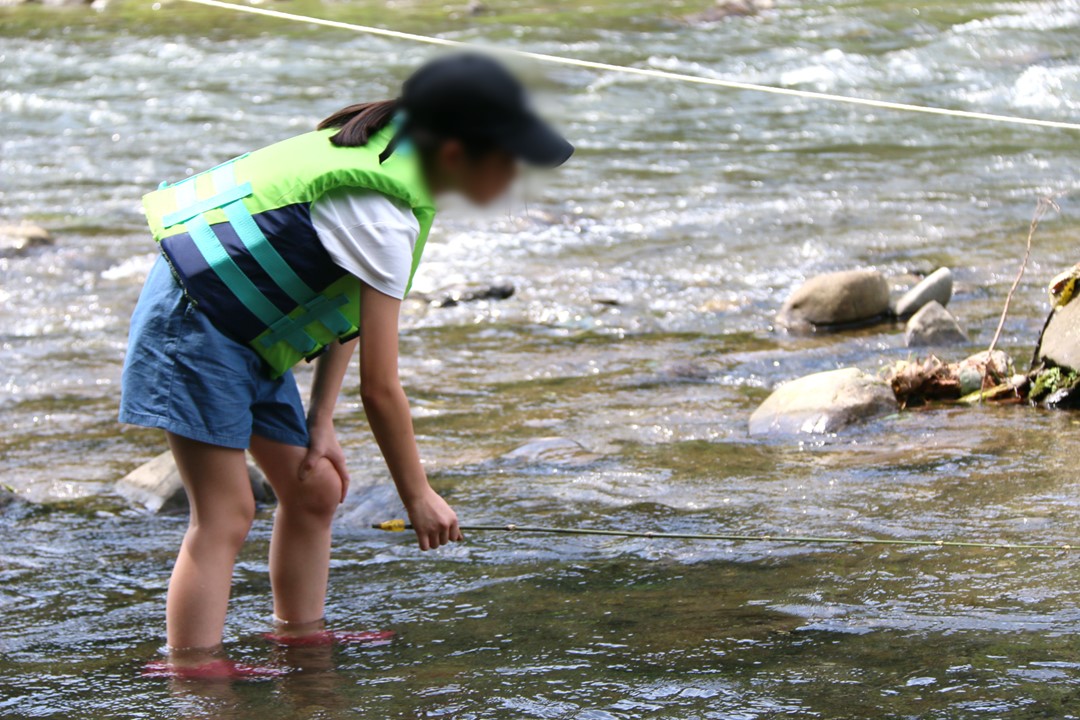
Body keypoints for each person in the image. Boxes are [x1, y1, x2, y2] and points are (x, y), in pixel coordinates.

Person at [119, 52, 573, 679]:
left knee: (317, 488)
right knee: (226, 512)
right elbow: (383, 389)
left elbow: (344, 314)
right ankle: (191, 666)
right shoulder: (379, 211)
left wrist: (320, 418)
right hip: (193, 325)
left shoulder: (397, 156)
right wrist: (417, 495)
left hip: (248, 333)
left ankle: (297, 633)